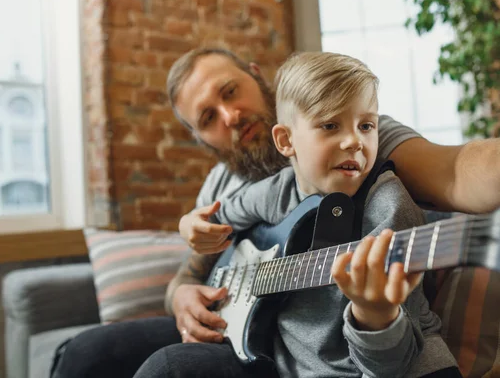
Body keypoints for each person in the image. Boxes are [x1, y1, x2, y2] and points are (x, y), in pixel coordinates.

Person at [53, 47, 500, 378]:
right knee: (83, 354)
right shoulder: (224, 182)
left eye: (231, 92)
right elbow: (189, 275)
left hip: (303, 345)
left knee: (167, 368)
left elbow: (458, 170)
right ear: (199, 136)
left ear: (255, 75)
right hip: (233, 322)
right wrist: (182, 295)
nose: (229, 115)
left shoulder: (356, 139)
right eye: (208, 117)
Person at [178, 51, 459, 377]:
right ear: (286, 140)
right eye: (330, 125)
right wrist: (192, 222)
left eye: (366, 125)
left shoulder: (390, 209)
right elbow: (225, 213)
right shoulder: (275, 191)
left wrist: (375, 313)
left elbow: (393, 364)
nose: (355, 141)